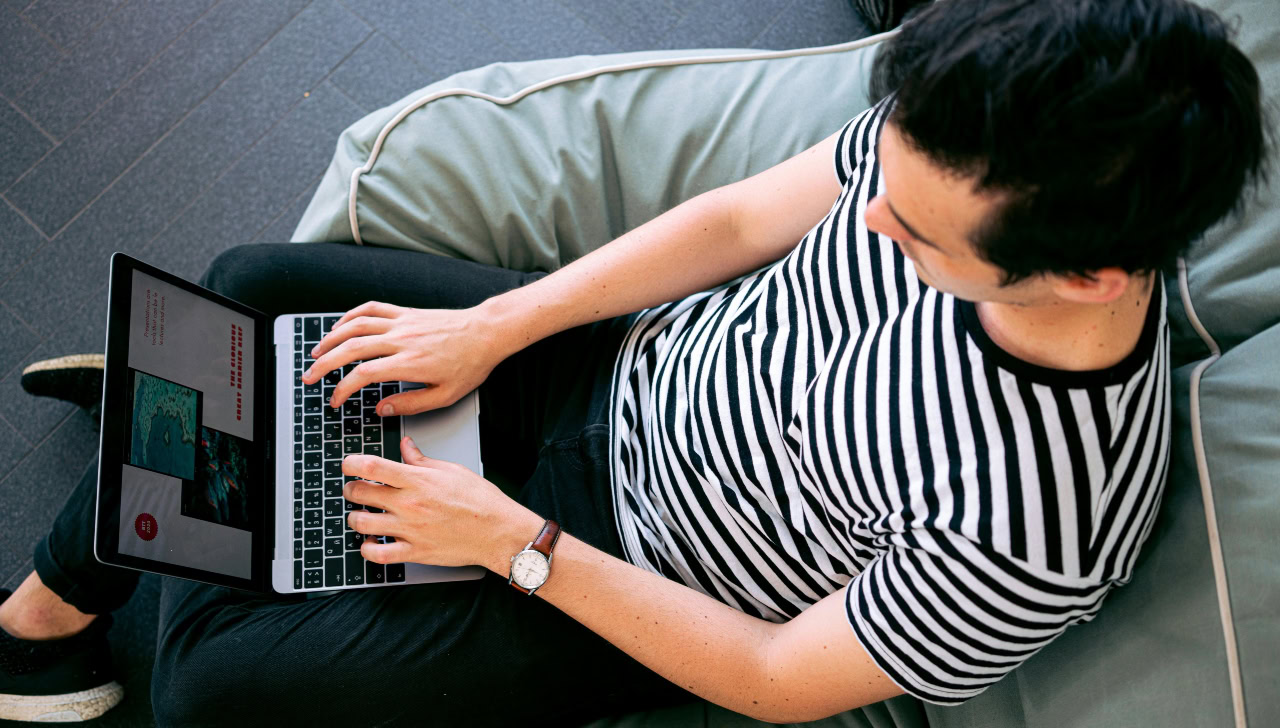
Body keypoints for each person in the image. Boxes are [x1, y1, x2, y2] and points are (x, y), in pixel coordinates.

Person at [0, 0, 1268, 724]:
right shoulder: (964, 135)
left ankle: (95, 555)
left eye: (913, 233)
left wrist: (510, 540)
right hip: (611, 366)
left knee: (207, 691)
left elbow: (776, 677)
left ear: (1088, 275)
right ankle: (160, 502)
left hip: (617, 566)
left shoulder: (1030, 534)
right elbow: (728, 224)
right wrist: (496, 328)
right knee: (253, 287)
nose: (869, 217)